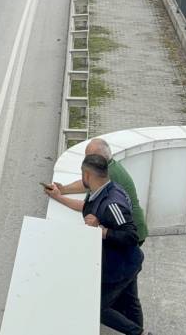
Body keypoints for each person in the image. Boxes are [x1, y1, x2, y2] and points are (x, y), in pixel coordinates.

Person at [80, 154, 148, 335]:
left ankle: (137, 332)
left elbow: (131, 235)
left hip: (122, 266)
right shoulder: (103, 191)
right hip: (126, 262)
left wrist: (101, 230)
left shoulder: (112, 203)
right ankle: (138, 331)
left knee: (98, 307)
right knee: (130, 300)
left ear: (87, 175)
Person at [45, 138, 147, 245]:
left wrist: (58, 197)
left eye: (89, 158)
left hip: (131, 232)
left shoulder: (110, 175)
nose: (85, 161)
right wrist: (63, 189)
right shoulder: (107, 168)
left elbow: (86, 206)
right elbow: (86, 183)